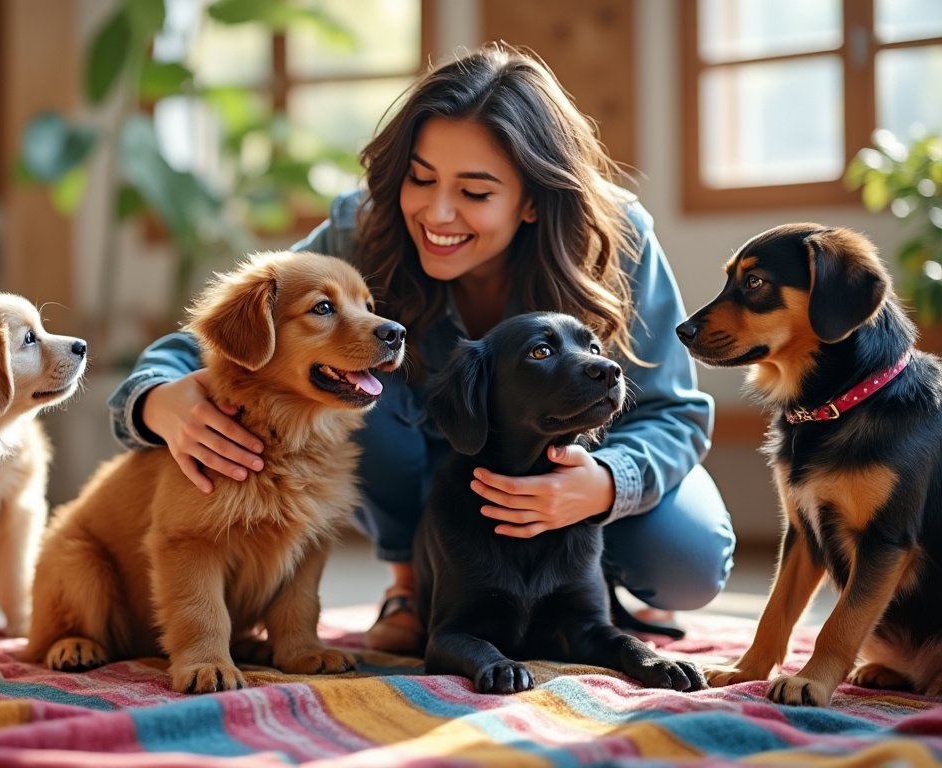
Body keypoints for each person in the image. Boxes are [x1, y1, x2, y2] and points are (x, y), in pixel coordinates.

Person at [106, 42, 735, 655]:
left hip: (568, 471)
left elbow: (673, 411)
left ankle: (579, 590)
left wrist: (603, 483)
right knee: (358, 391)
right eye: (420, 178)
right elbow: (214, 342)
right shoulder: (365, 230)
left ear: (534, 202)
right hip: (423, 470)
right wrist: (157, 400)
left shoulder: (616, 238)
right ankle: (409, 587)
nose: (436, 212)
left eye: (475, 192)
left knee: (690, 560)